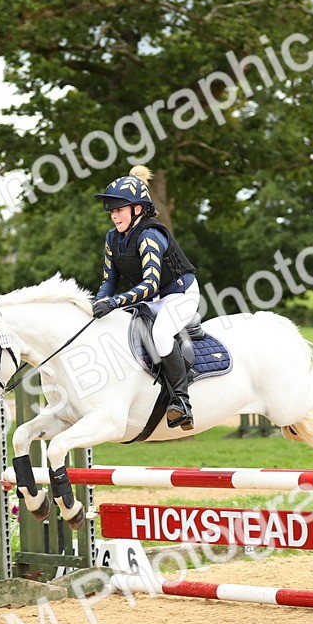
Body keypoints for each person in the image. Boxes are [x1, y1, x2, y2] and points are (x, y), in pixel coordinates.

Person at [91, 165, 200, 430]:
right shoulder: (112, 239)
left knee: (161, 334)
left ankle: (182, 402)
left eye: (119, 210)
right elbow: (110, 281)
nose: (114, 216)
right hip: (150, 299)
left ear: (137, 210)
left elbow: (150, 285)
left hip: (179, 295)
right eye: (112, 211)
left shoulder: (150, 235)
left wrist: (114, 303)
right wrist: (96, 306)